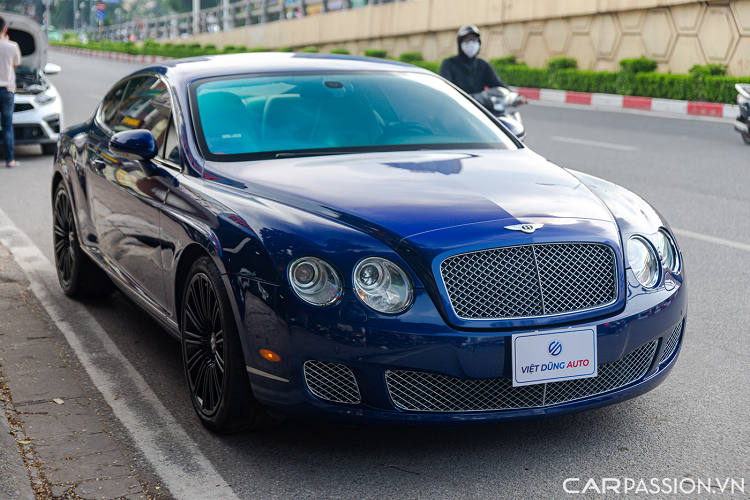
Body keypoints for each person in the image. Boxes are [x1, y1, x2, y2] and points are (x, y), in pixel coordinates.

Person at [440, 24, 526, 104]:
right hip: (457, 108)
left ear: (479, 43)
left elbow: (498, 85)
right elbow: (445, 89)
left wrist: (515, 96)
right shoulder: (449, 64)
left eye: (474, 40)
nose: (471, 43)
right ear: (460, 43)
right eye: (467, 40)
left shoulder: (482, 65)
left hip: (480, 108)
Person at [0, 16, 21, 168]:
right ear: (5, 29)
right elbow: (16, 63)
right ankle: (10, 160)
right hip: (7, 91)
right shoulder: (12, 46)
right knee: (7, 126)